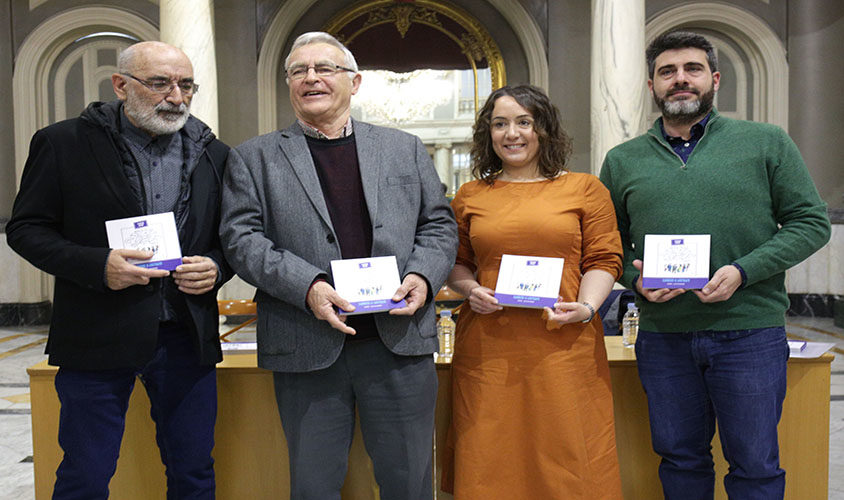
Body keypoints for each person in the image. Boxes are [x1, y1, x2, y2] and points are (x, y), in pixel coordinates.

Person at [219, 32, 457, 499]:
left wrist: (423, 276)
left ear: (355, 81)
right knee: (313, 487)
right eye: (298, 71)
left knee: (409, 483)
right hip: (306, 344)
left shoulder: (403, 147)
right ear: (288, 83)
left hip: (397, 344)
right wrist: (307, 285)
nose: (311, 78)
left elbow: (439, 224)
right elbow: (240, 238)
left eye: (324, 68)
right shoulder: (253, 156)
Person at [599, 31, 831, 500]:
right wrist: (635, 279)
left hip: (748, 333)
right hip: (664, 337)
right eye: (667, 71)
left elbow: (811, 223)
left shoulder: (765, 142)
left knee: (755, 466)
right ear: (651, 86)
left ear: (714, 79)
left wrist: (743, 271)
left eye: (692, 69)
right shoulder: (622, 160)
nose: (680, 79)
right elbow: (608, 243)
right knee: (680, 460)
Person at [6, 41, 231, 498]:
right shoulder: (63, 142)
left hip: (185, 335)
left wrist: (216, 266)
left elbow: (229, 238)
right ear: (121, 86)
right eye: (159, 83)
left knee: (193, 472)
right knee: (85, 475)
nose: (176, 96)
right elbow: (26, 229)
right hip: (98, 331)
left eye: (186, 85)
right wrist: (96, 264)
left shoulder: (215, 152)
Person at [442, 84, 624, 499]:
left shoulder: (585, 189)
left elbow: (604, 259)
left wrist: (587, 306)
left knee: (567, 458)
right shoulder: (471, 195)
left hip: (563, 346)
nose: (512, 133)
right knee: (490, 455)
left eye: (524, 122)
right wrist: (469, 289)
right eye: (500, 124)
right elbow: (457, 262)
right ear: (488, 134)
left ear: (544, 128)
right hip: (489, 348)